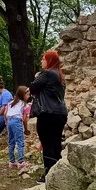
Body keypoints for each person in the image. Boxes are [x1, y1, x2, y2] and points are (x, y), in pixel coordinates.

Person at [29, 50, 68, 182]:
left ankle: (49, 175)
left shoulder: (47, 73)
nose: (42, 61)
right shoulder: (60, 76)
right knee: (56, 143)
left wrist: (37, 76)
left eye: (44, 59)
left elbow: (33, 87)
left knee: (47, 144)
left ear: (49, 61)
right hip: (60, 113)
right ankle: (58, 173)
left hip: (48, 113)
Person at [6, 86, 29, 169]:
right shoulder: (25, 105)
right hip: (17, 121)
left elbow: (5, 114)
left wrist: (7, 123)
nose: (29, 96)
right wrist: (26, 129)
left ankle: (12, 161)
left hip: (9, 121)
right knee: (20, 142)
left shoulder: (10, 103)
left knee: (11, 142)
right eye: (27, 94)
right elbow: (24, 119)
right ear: (23, 95)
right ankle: (21, 161)